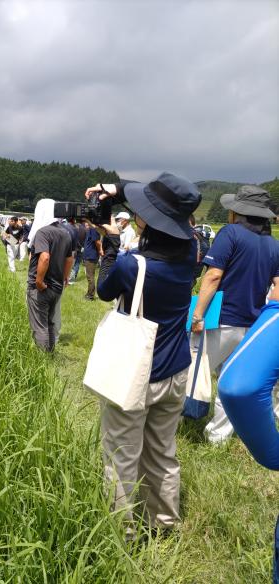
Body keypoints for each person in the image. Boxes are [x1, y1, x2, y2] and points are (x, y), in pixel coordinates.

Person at [91, 173, 201, 537]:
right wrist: (117, 191)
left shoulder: (131, 264)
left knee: (122, 455)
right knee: (162, 453)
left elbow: (106, 291)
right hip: (176, 371)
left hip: (136, 374)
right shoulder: (192, 253)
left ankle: (124, 531)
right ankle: (164, 522)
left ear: (147, 220)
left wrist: (108, 243)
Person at [189, 185, 279, 444]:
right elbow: (277, 290)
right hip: (252, 325)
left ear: (238, 213)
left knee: (192, 370)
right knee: (228, 381)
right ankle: (219, 437)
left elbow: (213, 276)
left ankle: (173, 423)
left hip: (220, 319)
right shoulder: (273, 244)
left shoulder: (230, 234)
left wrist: (197, 316)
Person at [26, 201, 74, 352]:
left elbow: (45, 257)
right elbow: (70, 259)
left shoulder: (43, 232)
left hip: (42, 287)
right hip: (57, 286)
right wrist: (65, 278)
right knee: (50, 323)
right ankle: (50, 352)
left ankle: (43, 360)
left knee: (40, 325)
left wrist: (39, 281)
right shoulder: (65, 233)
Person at [82, 222, 102, 300]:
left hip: (91, 256)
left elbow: (97, 242)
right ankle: (89, 293)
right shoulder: (91, 229)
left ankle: (90, 296)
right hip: (89, 255)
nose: (86, 224)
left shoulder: (93, 229)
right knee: (89, 276)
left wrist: (100, 250)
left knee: (90, 277)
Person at [68, 219, 87, 284]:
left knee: (72, 263)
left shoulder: (74, 228)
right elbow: (86, 240)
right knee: (77, 264)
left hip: (74, 248)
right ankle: (72, 278)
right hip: (81, 248)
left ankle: (69, 278)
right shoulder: (85, 229)